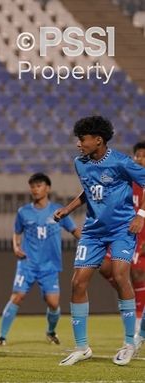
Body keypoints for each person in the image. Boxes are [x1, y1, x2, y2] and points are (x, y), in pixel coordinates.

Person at [54, 117, 145, 366]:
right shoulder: (80, 163)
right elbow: (88, 191)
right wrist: (68, 208)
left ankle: (129, 342)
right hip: (93, 231)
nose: (78, 144)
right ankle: (82, 347)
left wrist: (141, 215)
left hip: (121, 229)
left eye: (82, 139)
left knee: (119, 274)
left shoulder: (121, 162)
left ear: (98, 140)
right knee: (77, 283)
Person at [0, 173, 80, 347]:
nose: (35, 189)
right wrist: (16, 247)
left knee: (53, 303)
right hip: (27, 264)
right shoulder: (23, 212)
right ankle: (1, 337)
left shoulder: (58, 211)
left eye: (38, 185)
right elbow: (17, 232)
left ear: (47, 188)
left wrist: (90, 244)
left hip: (50, 265)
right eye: (32, 186)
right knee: (17, 297)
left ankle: (50, 332)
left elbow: (74, 230)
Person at [99, 141, 145, 348]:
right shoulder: (127, 178)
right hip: (120, 231)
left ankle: (136, 326)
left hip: (140, 232)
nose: (139, 159)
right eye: (137, 155)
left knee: (136, 274)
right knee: (105, 267)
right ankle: (130, 305)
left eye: (143, 155)